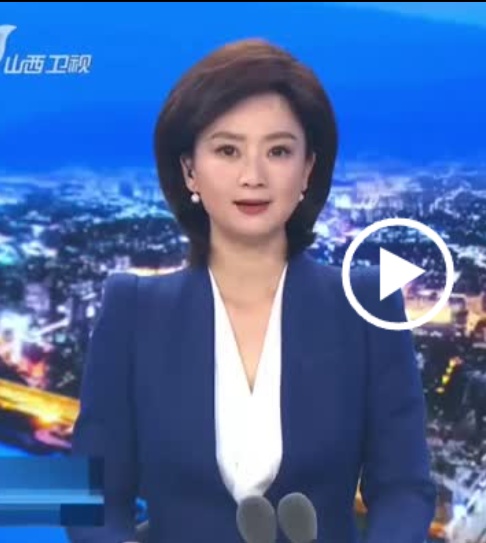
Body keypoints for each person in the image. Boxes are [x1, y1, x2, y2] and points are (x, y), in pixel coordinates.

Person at [66, 38, 436, 543]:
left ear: (307, 169)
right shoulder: (132, 310)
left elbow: (404, 487)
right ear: (189, 170)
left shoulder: (366, 304)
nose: (253, 176)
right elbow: (92, 501)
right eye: (228, 150)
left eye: (278, 151)